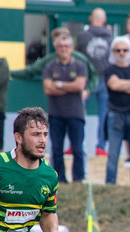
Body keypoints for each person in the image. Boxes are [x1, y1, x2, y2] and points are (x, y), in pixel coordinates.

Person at [42, 34, 88, 183]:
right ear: (56, 48)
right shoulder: (50, 66)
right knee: (56, 149)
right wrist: (70, 87)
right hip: (56, 114)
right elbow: (48, 89)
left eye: (66, 46)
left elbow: (80, 85)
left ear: (72, 48)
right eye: (60, 46)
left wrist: (59, 84)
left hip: (76, 114)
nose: (63, 49)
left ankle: (79, 178)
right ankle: (59, 178)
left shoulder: (80, 65)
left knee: (77, 149)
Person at [104, 37, 130, 186]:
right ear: (113, 52)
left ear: (129, 51)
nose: (122, 53)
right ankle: (110, 185)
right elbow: (113, 86)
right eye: (118, 50)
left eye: (125, 50)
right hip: (116, 115)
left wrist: (122, 84)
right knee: (113, 154)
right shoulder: (109, 70)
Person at [77, 8, 113, 157]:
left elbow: (77, 57)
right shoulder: (112, 37)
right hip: (106, 80)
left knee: (79, 113)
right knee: (104, 116)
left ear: (92, 19)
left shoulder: (83, 36)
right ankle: (101, 147)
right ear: (104, 21)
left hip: (87, 80)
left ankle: (78, 144)